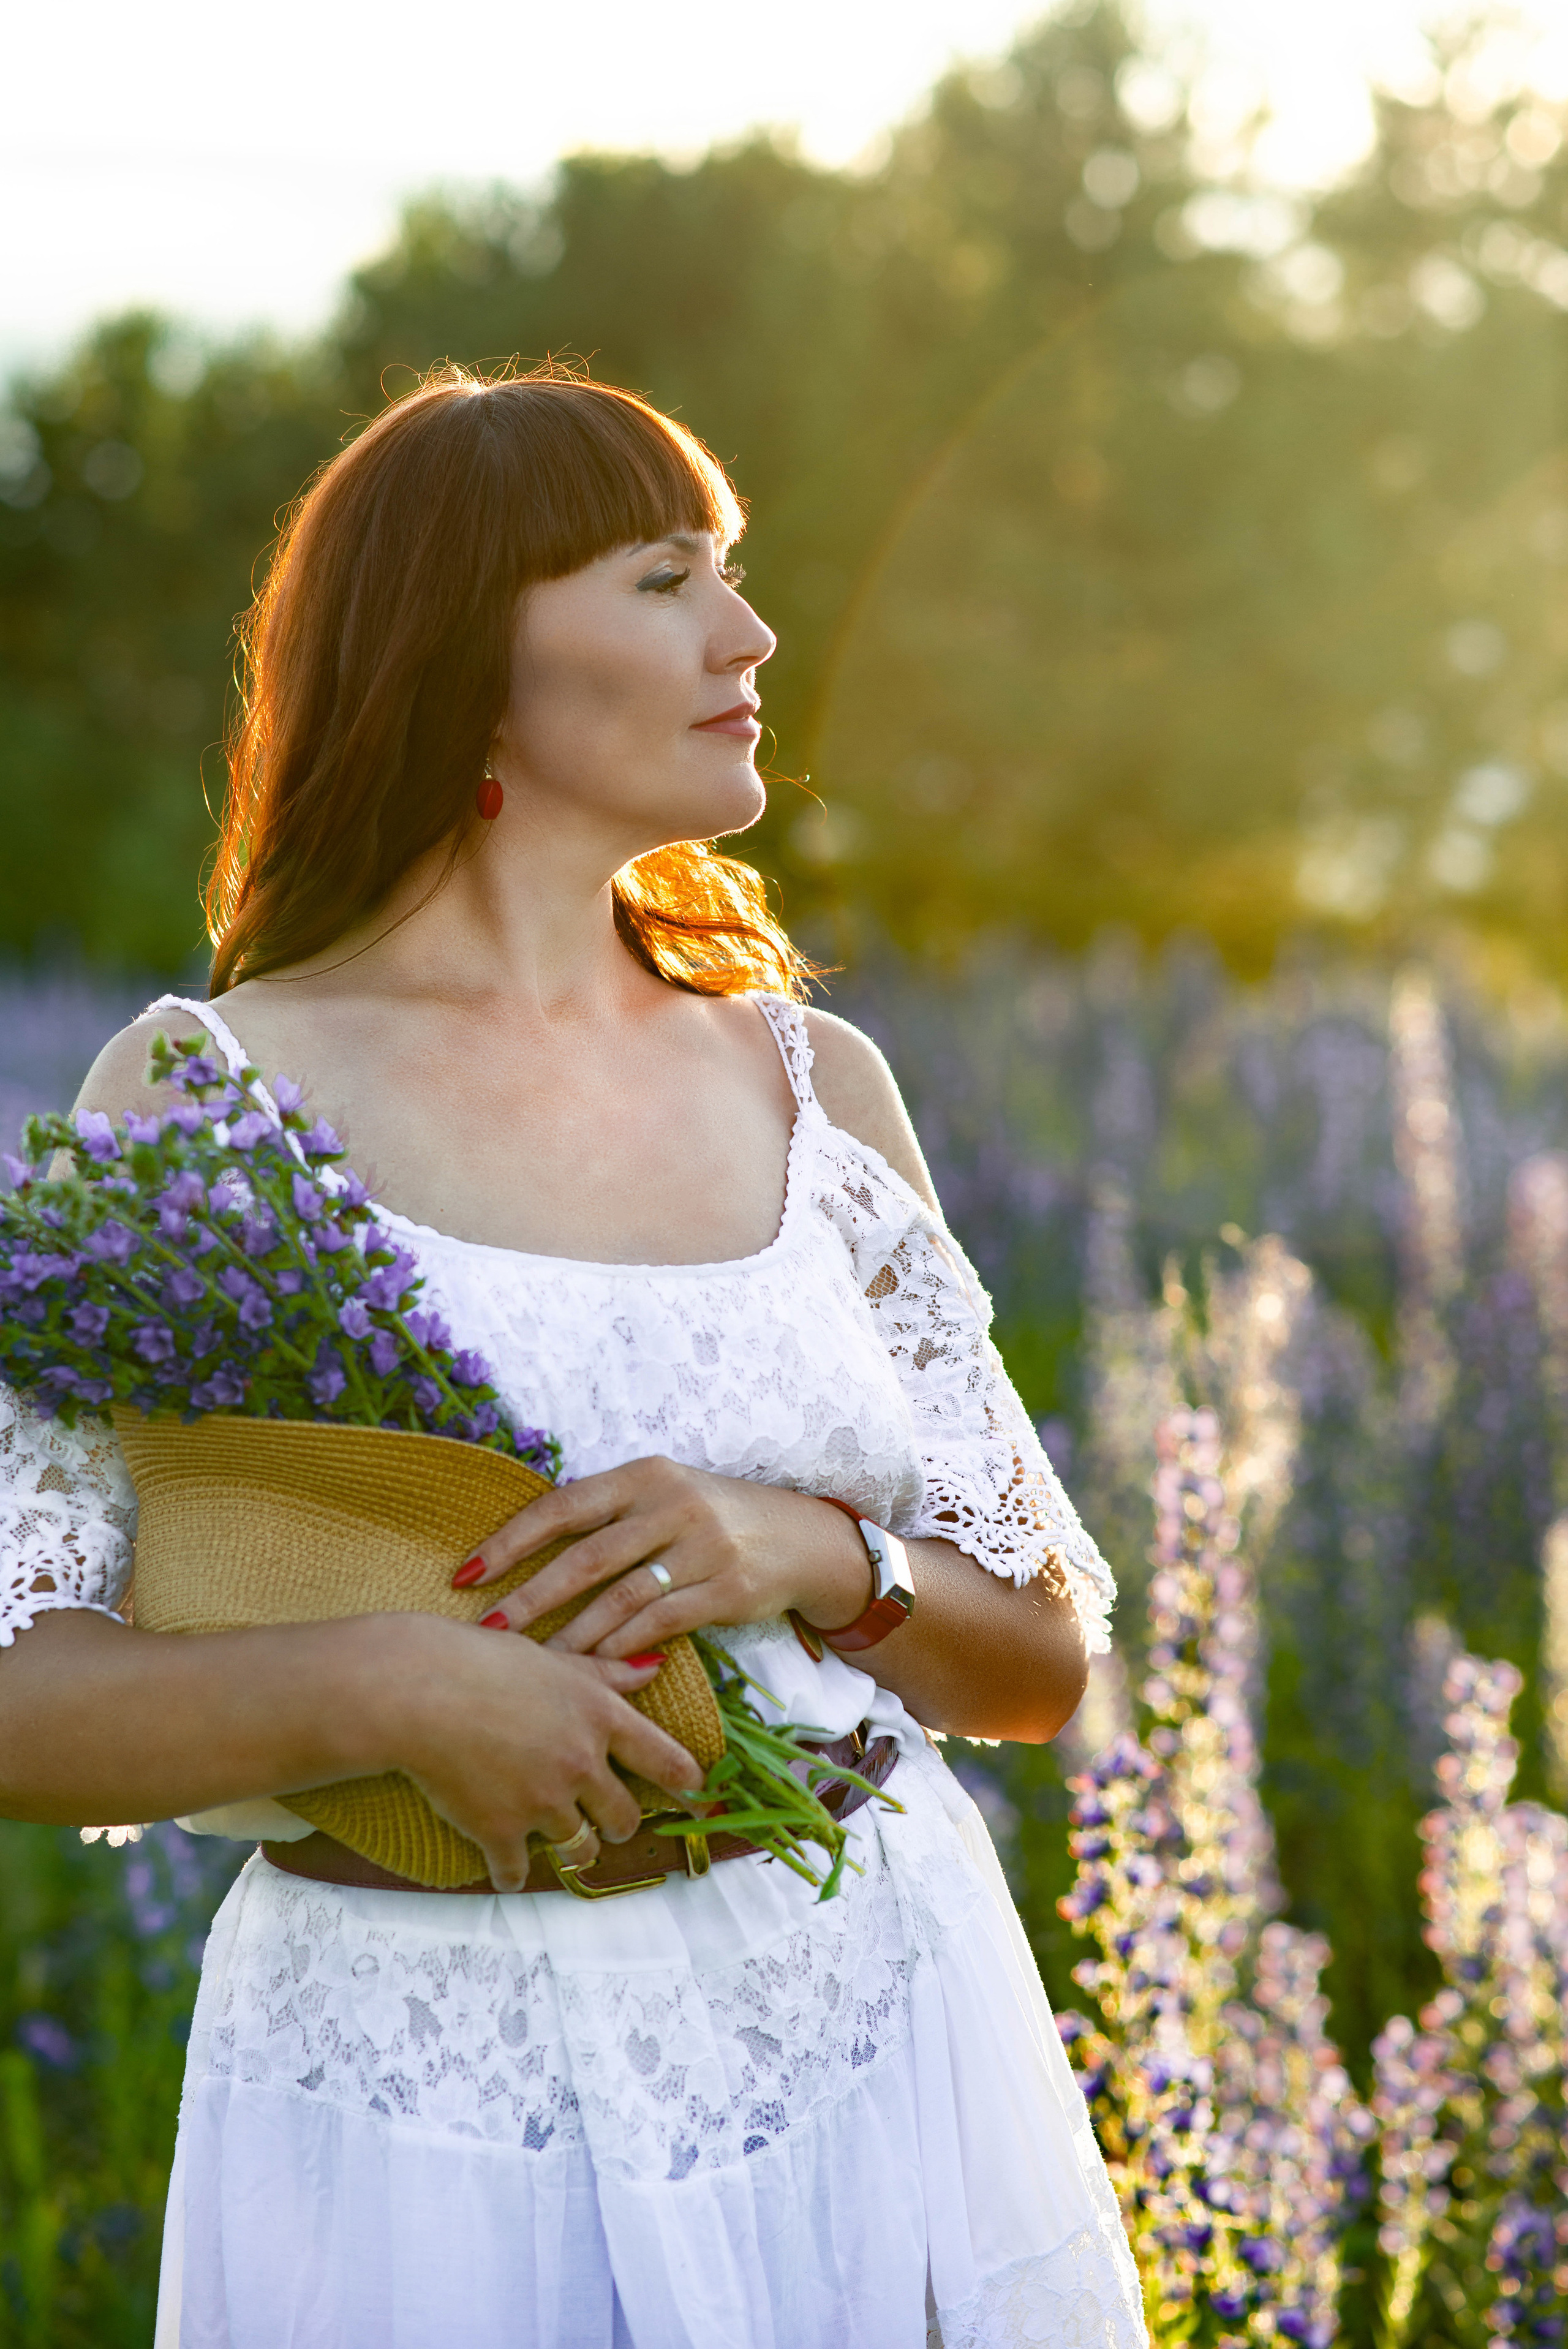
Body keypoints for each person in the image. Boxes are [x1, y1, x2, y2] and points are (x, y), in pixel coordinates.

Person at [0, 365, 1145, 2348]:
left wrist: (807, 1550)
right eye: (663, 575)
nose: (750, 633)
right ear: (472, 653)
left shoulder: (815, 1085)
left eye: (738, 572)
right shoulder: (210, 1101)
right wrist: (385, 1683)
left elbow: (1039, 1659)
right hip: (425, 2106)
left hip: (871, 2040)